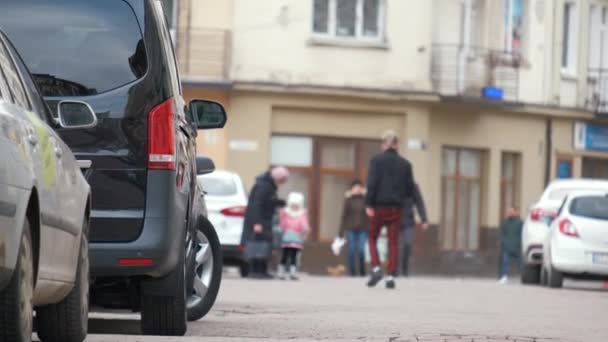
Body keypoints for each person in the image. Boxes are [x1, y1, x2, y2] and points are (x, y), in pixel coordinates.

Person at [366, 130, 415, 289]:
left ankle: (376, 268)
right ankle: (390, 276)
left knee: (372, 237)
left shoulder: (376, 161)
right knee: (393, 242)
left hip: (379, 207)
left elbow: (372, 183)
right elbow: (409, 189)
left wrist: (369, 204)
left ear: (384, 144)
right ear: (397, 144)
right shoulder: (406, 164)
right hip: (396, 208)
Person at [242, 167, 289, 279]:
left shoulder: (268, 185)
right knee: (258, 245)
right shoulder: (264, 186)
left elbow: (269, 201)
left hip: (264, 219)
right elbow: (256, 205)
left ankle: (262, 270)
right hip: (259, 220)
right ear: (278, 178)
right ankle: (255, 271)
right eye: (282, 181)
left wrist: (280, 203)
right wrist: (257, 223)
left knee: (264, 244)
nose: (281, 184)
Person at [339, 180, 369, 277]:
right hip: (350, 229)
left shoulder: (366, 200)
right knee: (351, 250)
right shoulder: (348, 200)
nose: (357, 189)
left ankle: (362, 271)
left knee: (361, 250)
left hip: (363, 229)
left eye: (359, 187)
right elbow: (344, 216)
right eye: (355, 187)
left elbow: (369, 215)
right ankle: (352, 272)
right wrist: (340, 231)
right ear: (352, 189)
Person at [278, 192, 310, 280]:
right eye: (293, 205)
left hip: (296, 239)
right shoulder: (286, 214)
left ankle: (293, 272)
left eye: (297, 205)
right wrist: (282, 217)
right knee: (284, 255)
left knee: (294, 256)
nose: (295, 207)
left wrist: (305, 230)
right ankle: (281, 272)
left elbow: (304, 224)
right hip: (287, 238)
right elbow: (282, 225)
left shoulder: (302, 214)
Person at [400, 183, 428, 277]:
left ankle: (404, 268)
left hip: (408, 221)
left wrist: (423, 219)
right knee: (393, 246)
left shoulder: (413, 186)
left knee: (408, 244)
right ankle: (393, 270)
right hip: (393, 220)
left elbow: (419, 202)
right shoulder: (392, 183)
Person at [498, 206, 523, 284]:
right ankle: (504, 276)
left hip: (517, 246)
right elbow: (503, 234)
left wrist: (519, 243)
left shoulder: (520, 223)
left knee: (521, 263)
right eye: (508, 212)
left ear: (516, 212)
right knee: (505, 261)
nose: (509, 213)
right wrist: (503, 242)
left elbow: (522, 234)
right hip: (507, 246)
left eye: (511, 211)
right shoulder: (505, 223)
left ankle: (523, 276)